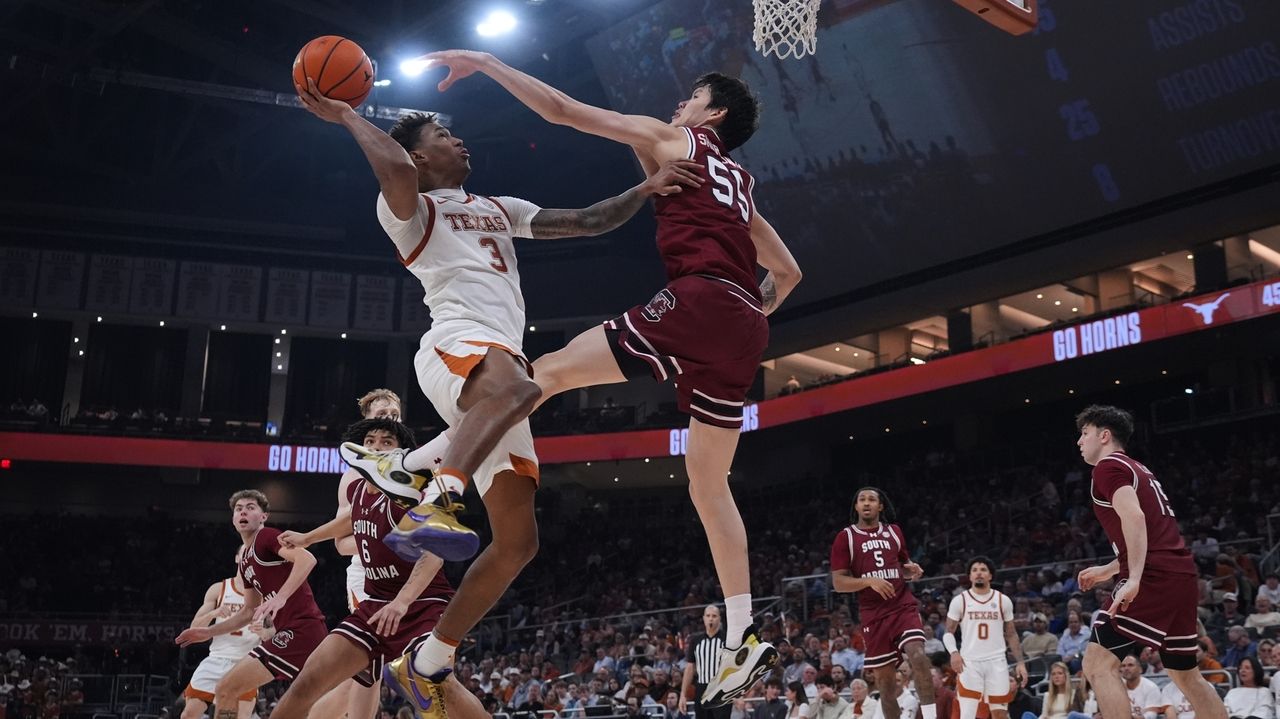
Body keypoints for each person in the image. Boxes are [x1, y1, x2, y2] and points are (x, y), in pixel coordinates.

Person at [295, 70, 701, 719]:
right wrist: (346, 114)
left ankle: (429, 659)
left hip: (498, 366)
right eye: (442, 134)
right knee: (524, 385)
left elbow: (587, 220)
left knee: (518, 540)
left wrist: (646, 188)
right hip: (456, 343)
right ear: (420, 156)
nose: (458, 139)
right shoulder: (410, 211)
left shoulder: (497, 206)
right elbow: (393, 168)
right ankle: (438, 496)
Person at [410, 50, 803, 708]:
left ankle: (418, 465)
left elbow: (562, 110)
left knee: (546, 373)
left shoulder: (678, 140)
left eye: (691, 96)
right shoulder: (740, 185)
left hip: (702, 299)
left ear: (713, 114)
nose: (679, 104)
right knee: (709, 486)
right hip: (744, 326)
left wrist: (486, 63)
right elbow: (788, 274)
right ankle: (741, 634)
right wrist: (738, 319)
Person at [268, 419, 487, 719]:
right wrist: (308, 537)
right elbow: (351, 518)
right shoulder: (359, 488)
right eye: (370, 441)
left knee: (438, 686)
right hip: (375, 607)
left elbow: (434, 555)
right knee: (307, 682)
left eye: (387, 442)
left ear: (402, 453)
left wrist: (402, 602)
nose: (376, 447)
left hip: (424, 605)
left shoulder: (411, 492)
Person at [1073, 406, 1226, 719]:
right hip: (1180, 573)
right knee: (1186, 674)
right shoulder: (1139, 469)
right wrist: (1109, 569)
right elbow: (1151, 536)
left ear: (1104, 436)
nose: (1079, 441)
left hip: (1153, 577)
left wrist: (1133, 578)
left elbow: (1135, 517)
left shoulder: (1107, 467)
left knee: (1097, 665)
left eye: (1085, 433)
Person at [309, 389, 422, 719]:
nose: (389, 417)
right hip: (370, 576)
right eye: (381, 413)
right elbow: (341, 543)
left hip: (410, 575)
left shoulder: (414, 466)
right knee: (369, 667)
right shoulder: (353, 476)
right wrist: (383, 541)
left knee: (373, 670)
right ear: (366, 424)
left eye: (394, 413)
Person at [175, 490, 327, 719]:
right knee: (299, 708)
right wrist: (208, 631)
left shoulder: (266, 536)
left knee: (227, 688)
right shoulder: (246, 560)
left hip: (302, 629)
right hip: (290, 633)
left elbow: (307, 559)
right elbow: (248, 611)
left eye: (250, 507)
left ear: (264, 516)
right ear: (233, 518)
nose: (243, 512)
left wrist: (281, 596)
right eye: (239, 509)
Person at [830, 488, 937, 719]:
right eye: (862, 500)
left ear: (880, 506)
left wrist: (911, 570)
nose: (867, 503)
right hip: (873, 614)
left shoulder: (894, 532)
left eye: (872, 499)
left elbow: (902, 567)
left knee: (918, 656)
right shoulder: (846, 537)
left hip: (902, 605)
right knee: (886, 685)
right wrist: (869, 581)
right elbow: (838, 582)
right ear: (856, 507)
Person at [180, 547, 263, 719]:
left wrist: (264, 631)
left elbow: (275, 632)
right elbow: (195, 628)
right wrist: (213, 614)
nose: (249, 557)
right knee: (188, 715)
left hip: (246, 662)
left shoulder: (265, 592)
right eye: (245, 553)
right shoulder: (219, 589)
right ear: (237, 558)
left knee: (241, 717)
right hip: (216, 658)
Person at [944, 556, 1027, 719]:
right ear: (969, 576)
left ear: (990, 575)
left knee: (1000, 714)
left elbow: (1011, 634)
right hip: (969, 663)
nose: (979, 573)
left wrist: (1020, 663)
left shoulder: (1003, 600)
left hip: (997, 662)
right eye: (974, 570)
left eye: (983, 570)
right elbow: (948, 633)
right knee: (967, 714)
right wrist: (954, 652)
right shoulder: (960, 601)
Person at [684, 606, 730, 719]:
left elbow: (735, 666)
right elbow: (689, 668)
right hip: (701, 688)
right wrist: (682, 695)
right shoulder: (695, 640)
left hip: (722, 688)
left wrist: (738, 694)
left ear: (719, 618)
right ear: (704, 618)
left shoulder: (727, 639)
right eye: (708, 616)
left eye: (714, 616)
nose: (711, 619)